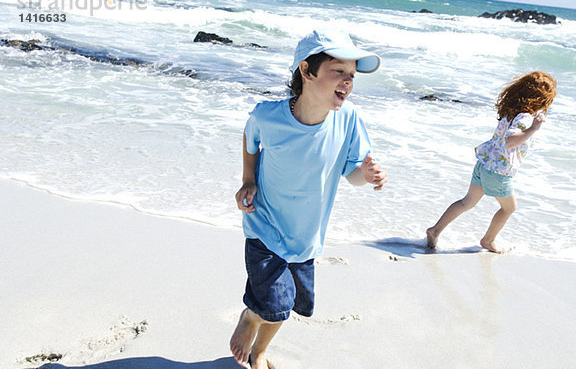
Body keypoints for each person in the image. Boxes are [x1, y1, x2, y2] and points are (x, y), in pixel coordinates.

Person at [229, 29, 388, 369]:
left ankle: (255, 329)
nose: (347, 82)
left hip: (306, 237)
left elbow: (354, 174)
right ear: (306, 71)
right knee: (277, 302)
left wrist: (368, 174)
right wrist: (247, 180)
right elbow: (250, 138)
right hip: (264, 225)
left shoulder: (349, 120)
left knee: (284, 306)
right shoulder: (268, 117)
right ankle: (256, 339)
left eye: (352, 76)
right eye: (338, 72)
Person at [426, 71, 557, 254]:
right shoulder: (525, 117)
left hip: (484, 164)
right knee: (509, 208)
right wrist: (533, 129)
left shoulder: (511, 111)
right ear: (542, 98)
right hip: (499, 172)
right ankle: (489, 240)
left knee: (466, 202)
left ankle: (435, 230)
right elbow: (511, 141)